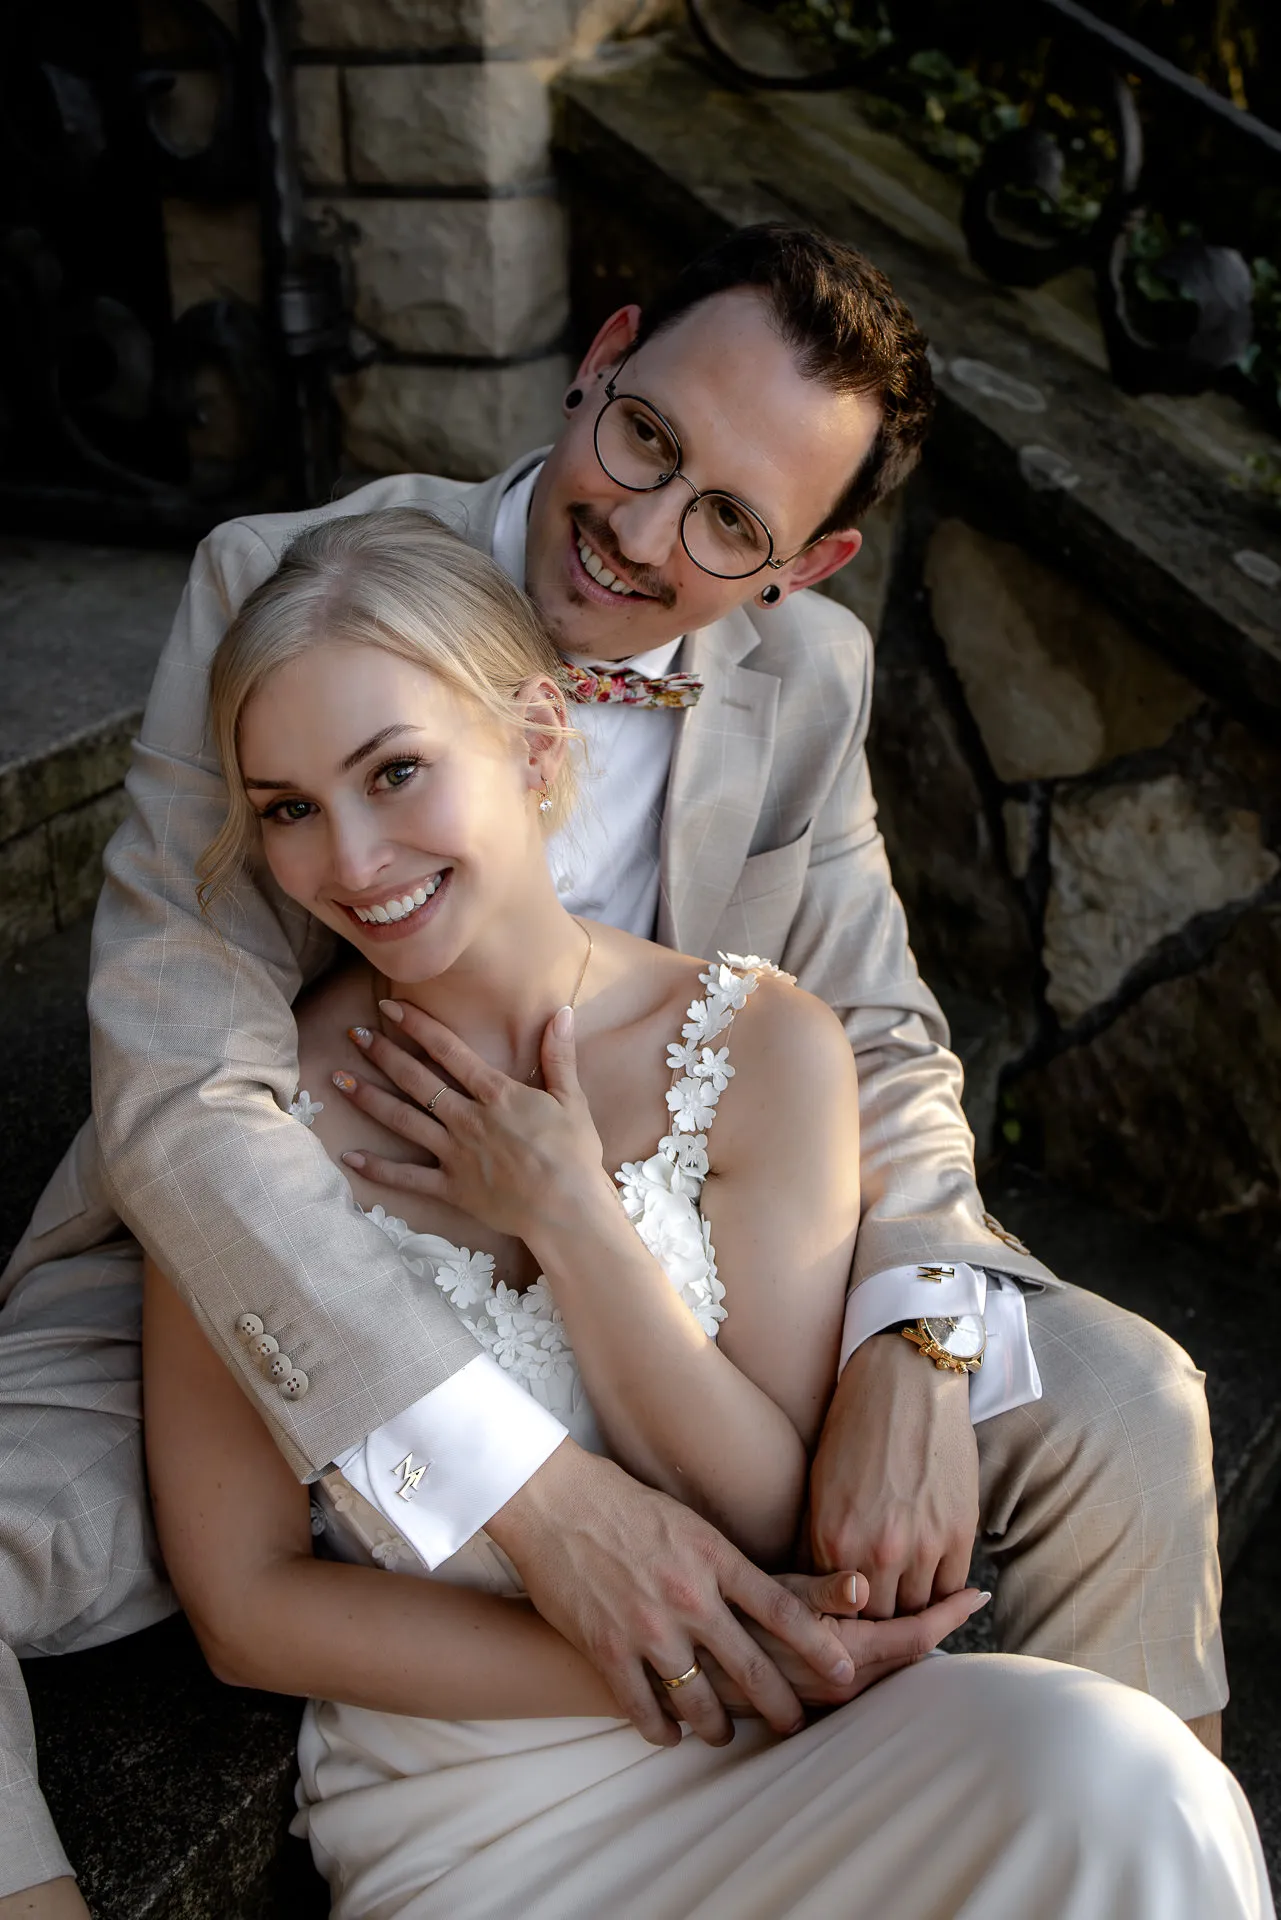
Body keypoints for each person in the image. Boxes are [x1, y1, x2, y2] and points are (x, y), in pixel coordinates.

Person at [0, 225, 1224, 1914]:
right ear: (603, 358)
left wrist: (920, 1336)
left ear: (807, 562)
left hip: (707, 1238)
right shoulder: (277, 585)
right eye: (646, 438)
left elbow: (875, 1030)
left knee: (1131, 1425)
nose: (642, 531)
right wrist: (529, 1488)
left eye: (730, 520)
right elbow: (185, 1087)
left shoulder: (807, 685)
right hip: (287, 1243)